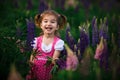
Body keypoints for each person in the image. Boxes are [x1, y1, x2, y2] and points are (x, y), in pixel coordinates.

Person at [26, 9, 67, 80]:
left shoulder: (58, 42)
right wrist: (31, 62)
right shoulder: (36, 40)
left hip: (48, 72)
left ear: (57, 27)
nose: (49, 24)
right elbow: (33, 55)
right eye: (45, 21)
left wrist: (57, 61)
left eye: (52, 22)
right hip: (35, 70)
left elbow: (54, 60)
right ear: (41, 25)